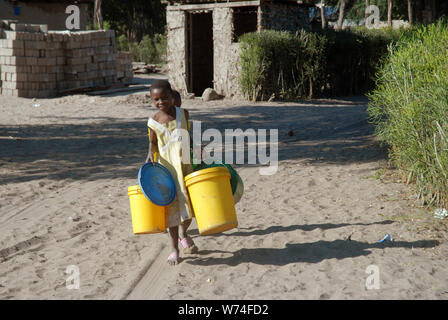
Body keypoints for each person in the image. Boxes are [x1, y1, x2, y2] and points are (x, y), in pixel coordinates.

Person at [145, 80, 198, 265]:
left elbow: (189, 136)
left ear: (172, 96)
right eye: (156, 99)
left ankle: (184, 232)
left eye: (164, 98)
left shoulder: (184, 114)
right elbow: (152, 143)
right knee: (172, 211)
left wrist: (198, 150)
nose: (161, 102)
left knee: (190, 207)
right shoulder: (153, 121)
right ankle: (174, 248)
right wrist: (150, 154)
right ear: (152, 100)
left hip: (185, 166)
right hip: (167, 170)